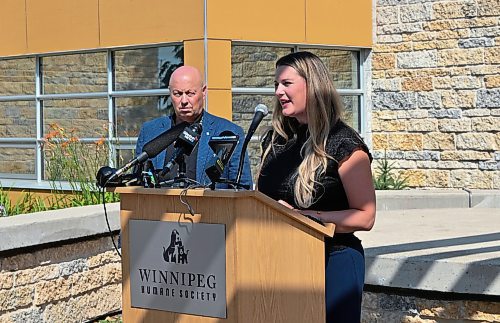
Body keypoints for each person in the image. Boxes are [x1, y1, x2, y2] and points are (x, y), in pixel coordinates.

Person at [257, 52, 376, 322]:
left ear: (312, 85)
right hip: (282, 262)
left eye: (286, 84)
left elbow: (365, 216)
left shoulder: (344, 143)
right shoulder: (276, 140)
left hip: (333, 262)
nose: (278, 92)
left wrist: (308, 217)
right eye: (276, 85)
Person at [135, 65, 253, 188]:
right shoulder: (150, 131)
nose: (184, 100)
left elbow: (242, 188)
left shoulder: (228, 132)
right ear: (170, 93)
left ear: (204, 92)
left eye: (190, 93)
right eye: (177, 94)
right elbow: (136, 184)